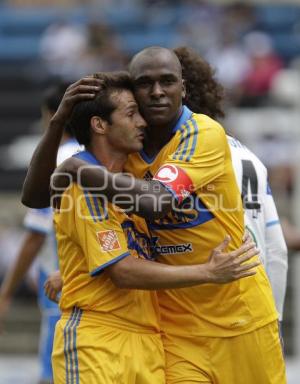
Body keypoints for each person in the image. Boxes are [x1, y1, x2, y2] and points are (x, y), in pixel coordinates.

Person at [22, 47, 286, 383]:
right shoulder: (125, 154)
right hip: (176, 331)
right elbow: (37, 197)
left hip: (241, 318)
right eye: (145, 83)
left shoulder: (201, 134)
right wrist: (59, 123)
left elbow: (156, 202)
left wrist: (75, 168)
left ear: (183, 88)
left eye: (167, 81)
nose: (157, 92)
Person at [174, 45, 288, 322]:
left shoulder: (179, 158)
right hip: (255, 308)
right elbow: (277, 249)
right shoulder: (249, 156)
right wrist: (274, 317)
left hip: (204, 313)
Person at [0, 83, 81, 384]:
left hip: (62, 284)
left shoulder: (58, 159)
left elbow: (36, 234)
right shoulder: (99, 155)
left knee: (54, 373)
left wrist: (5, 293)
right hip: (98, 282)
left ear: (52, 115)